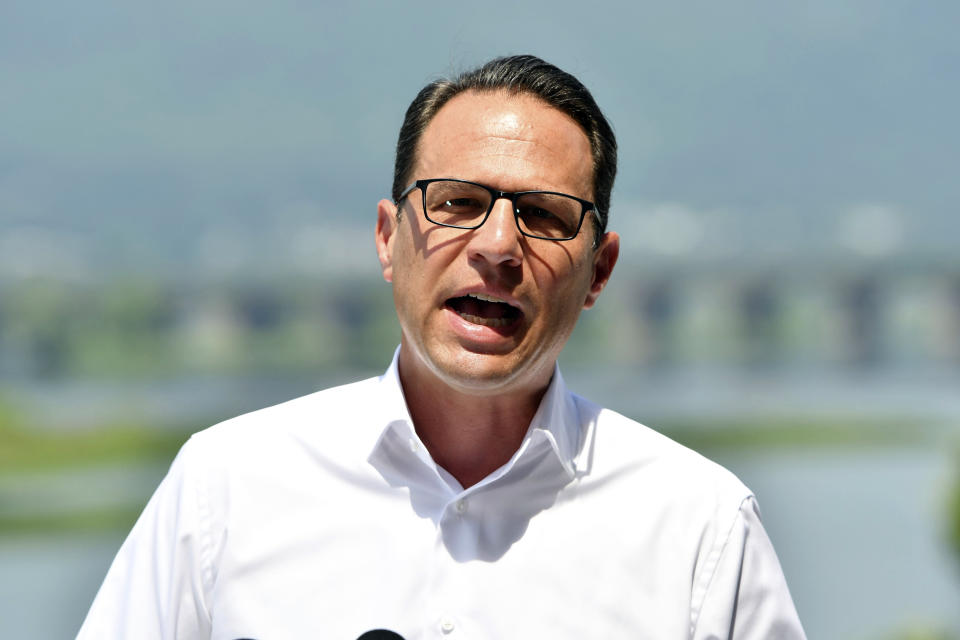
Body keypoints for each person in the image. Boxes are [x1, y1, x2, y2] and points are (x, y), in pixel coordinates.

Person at [78, 55, 805, 639]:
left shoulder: (698, 526)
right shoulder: (226, 489)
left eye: (544, 216)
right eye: (458, 202)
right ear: (389, 239)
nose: (496, 246)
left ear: (599, 271)